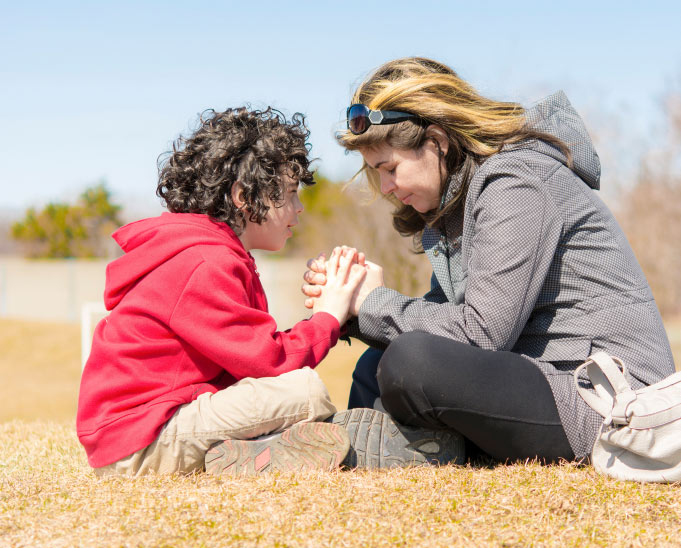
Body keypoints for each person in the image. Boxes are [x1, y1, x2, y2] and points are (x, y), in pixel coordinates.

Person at [302, 57, 676, 463]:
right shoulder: (459, 207)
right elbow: (447, 319)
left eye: (390, 168)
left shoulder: (516, 181)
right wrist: (346, 307)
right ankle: (352, 456)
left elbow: (481, 332)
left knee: (410, 361)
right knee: (375, 362)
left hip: (611, 399)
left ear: (438, 142)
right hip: (547, 377)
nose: (386, 187)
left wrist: (372, 302)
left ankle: (410, 448)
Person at [77, 106, 462, 477]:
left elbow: (251, 359)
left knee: (291, 392)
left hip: (147, 427)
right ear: (245, 197)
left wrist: (335, 316)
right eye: (290, 193)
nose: (299, 209)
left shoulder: (206, 253)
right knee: (304, 392)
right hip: (141, 440)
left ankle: (270, 448)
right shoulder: (204, 262)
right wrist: (329, 314)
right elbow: (270, 362)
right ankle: (281, 446)